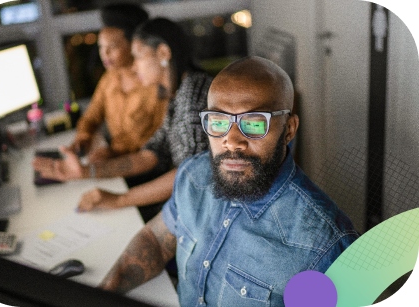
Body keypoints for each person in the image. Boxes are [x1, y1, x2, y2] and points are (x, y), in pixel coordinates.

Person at [98, 56, 359, 306]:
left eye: (255, 124)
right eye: (218, 121)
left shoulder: (323, 244)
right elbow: (156, 240)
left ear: (288, 129)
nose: (231, 140)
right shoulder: (193, 176)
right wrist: (103, 293)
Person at [33, 18, 212, 220]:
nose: (134, 68)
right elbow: (151, 155)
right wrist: (86, 171)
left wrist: (119, 199)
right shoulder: (176, 93)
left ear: (163, 53)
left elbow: (190, 176)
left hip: (201, 213)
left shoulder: (193, 94)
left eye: (138, 57)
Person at [35, 3, 167, 164]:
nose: (104, 54)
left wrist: (113, 152)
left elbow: (158, 142)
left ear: (134, 45)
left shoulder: (155, 84)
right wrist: (84, 136)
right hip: (112, 159)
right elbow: (91, 116)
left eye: (112, 47)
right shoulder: (110, 77)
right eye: (101, 47)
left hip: (142, 166)